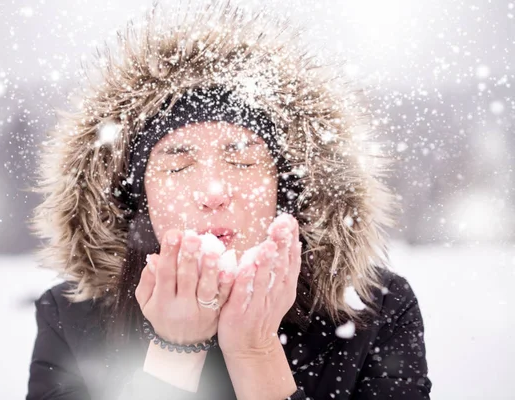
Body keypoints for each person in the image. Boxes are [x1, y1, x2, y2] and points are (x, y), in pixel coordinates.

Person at [26, 2, 432, 399]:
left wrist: (255, 352)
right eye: (179, 166)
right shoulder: (73, 317)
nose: (214, 192)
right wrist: (174, 352)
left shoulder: (372, 312)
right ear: (136, 195)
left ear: (284, 188)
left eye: (242, 160)